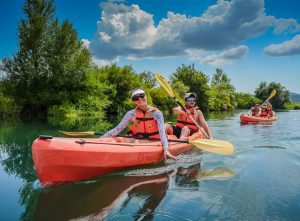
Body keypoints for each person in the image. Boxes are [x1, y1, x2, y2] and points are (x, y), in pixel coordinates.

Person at [100, 88, 179, 161]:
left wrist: (166, 149)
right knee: (128, 139)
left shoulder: (156, 113)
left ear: (146, 96)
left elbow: (162, 132)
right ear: (134, 101)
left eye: (141, 96)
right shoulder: (131, 114)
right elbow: (118, 129)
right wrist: (99, 140)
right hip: (138, 138)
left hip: (154, 141)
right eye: (135, 98)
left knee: (132, 141)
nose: (140, 99)